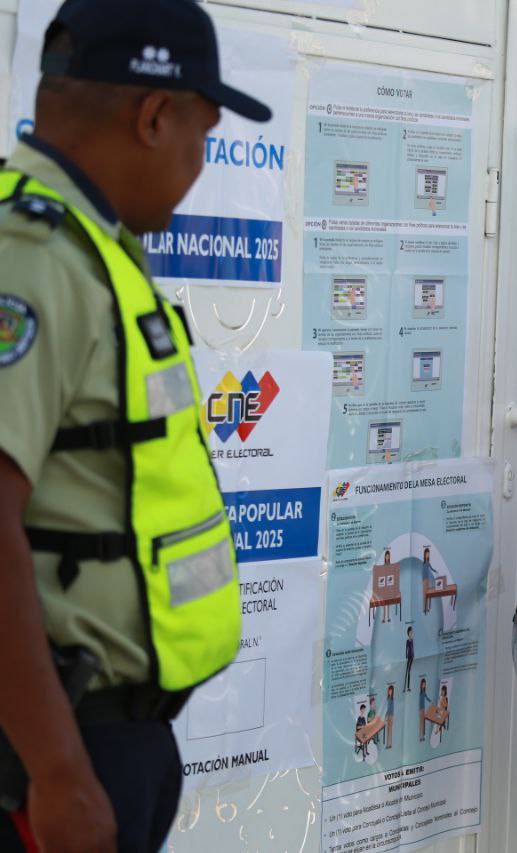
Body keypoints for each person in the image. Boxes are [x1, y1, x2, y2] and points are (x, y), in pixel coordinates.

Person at [0, 1, 271, 850]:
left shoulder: (95, 246)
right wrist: (57, 769)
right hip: (58, 746)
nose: (201, 163)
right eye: (203, 135)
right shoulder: (33, 258)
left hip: (109, 737)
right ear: (154, 116)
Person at [384, 684, 395, 750]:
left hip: (391, 715)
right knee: (388, 730)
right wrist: (386, 715)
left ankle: (390, 744)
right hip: (388, 715)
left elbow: (391, 709)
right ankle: (388, 744)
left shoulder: (392, 699)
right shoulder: (388, 699)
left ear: (392, 692)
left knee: (390, 730)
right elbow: (387, 708)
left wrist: (392, 716)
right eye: (389, 691)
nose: (389, 692)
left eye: (391, 691)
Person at [403, 626, 415, 693]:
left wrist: (413, 655)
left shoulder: (412, 640)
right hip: (408, 657)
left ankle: (408, 687)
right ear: (408, 633)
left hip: (412, 656)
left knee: (409, 671)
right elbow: (406, 649)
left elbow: (412, 648)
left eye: (412, 632)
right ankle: (404, 688)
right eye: (410, 632)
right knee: (406, 671)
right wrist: (406, 656)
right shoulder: (407, 641)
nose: (411, 633)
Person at [418, 677, 429, 742]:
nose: (424, 685)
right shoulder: (421, 692)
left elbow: (427, 698)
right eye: (423, 684)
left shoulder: (424, 692)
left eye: (424, 684)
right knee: (421, 724)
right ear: (421, 685)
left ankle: (422, 737)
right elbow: (420, 701)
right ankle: (421, 737)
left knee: (423, 723)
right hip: (421, 709)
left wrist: (430, 701)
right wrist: (420, 710)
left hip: (423, 709)